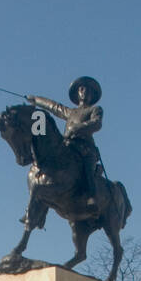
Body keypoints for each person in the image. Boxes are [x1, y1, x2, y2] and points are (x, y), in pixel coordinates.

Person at [26, 77, 104, 208]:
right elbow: (55, 107)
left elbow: (96, 123)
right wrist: (36, 100)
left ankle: (91, 196)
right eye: (82, 89)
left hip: (86, 148)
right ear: (78, 93)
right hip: (69, 145)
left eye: (88, 90)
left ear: (92, 95)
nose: (84, 92)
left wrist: (77, 128)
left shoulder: (95, 109)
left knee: (88, 169)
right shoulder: (71, 112)